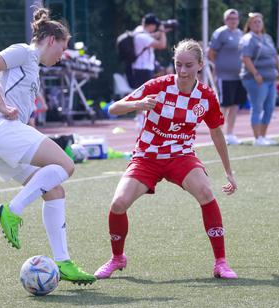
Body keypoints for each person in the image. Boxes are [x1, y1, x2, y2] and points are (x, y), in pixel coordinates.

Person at [94, 39, 238, 280]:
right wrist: (138, 104)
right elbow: (113, 108)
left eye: (189, 65)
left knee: (205, 192)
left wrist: (229, 171)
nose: (182, 71)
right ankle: (117, 258)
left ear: (200, 65)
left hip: (180, 156)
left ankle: (220, 263)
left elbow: (216, 132)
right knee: (118, 204)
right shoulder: (158, 86)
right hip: (147, 157)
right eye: (178, 65)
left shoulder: (206, 96)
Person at [0, 7, 96, 285]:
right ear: (51, 39)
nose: (62, 56)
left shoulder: (33, 69)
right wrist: (3, 105)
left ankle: (63, 261)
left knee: (54, 189)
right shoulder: (25, 52)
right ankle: (12, 210)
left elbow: (17, 112)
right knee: (66, 165)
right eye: (62, 49)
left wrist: (25, 125)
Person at [239, 12, 279, 146]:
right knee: (257, 107)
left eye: (259, 22)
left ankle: (263, 136)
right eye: (254, 22)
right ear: (249, 25)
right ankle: (257, 138)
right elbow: (246, 58)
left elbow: (274, 55)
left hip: (270, 78)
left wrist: (278, 71)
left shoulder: (267, 37)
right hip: (256, 78)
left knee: (269, 107)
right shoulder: (248, 39)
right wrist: (256, 73)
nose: (257, 24)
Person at [208, 8, 247, 145]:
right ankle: (217, 134)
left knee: (235, 105)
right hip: (224, 76)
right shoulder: (220, 33)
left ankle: (230, 134)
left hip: (238, 76)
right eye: (230, 18)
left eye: (235, 18)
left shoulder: (240, 33)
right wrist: (219, 66)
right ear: (225, 20)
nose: (233, 21)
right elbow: (211, 52)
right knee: (224, 106)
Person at [127, 13, 167, 130]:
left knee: (143, 94)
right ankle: (140, 120)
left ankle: (142, 119)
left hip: (142, 68)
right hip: (142, 69)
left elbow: (152, 35)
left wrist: (158, 32)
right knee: (143, 94)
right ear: (151, 25)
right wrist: (162, 32)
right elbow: (162, 45)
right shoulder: (142, 37)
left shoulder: (139, 31)